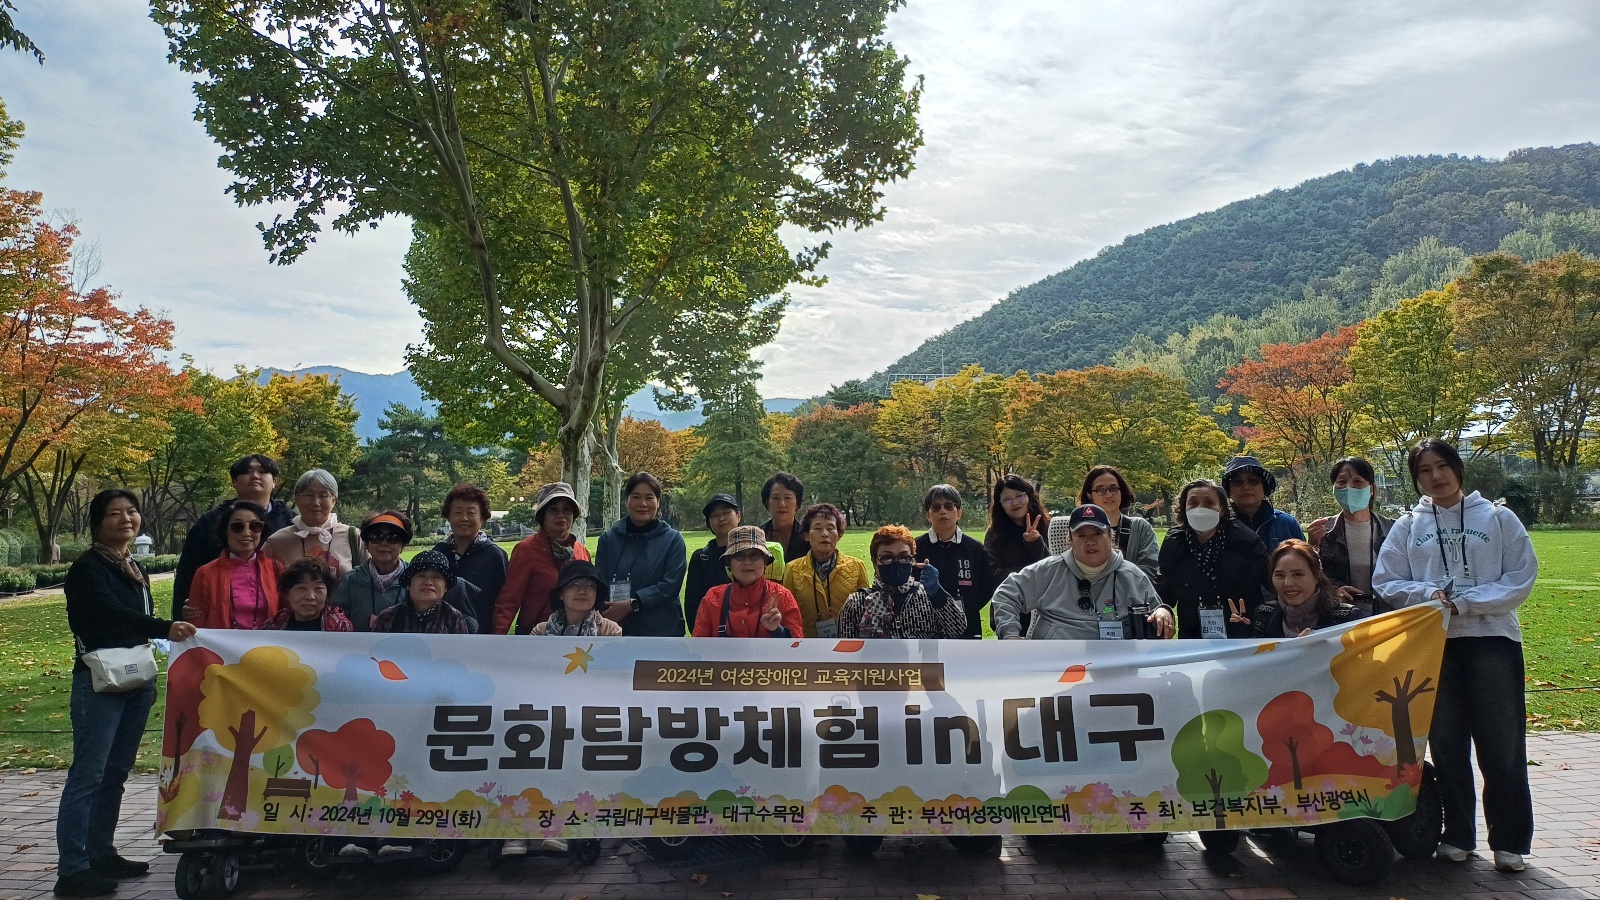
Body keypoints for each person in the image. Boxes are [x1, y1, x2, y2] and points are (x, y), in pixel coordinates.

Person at [1373, 438, 1538, 873]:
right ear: (1416, 479)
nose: (1436, 477)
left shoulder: (1498, 517)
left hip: (1491, 640)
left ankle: (1510, 841)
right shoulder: (1409, 525)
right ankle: (1458, 835)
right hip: (1433, 642)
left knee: (1502, 743)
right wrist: (1427, 594)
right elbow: (1386, 580)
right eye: (1424, 471)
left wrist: (1467, 602)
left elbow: (1520, 577)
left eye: (1442, 466)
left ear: (1458, 468)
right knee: (1446, 743)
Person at [56, 489, 196, 898]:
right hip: (99, 682)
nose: (126, 519)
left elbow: (135, 619)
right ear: (97, 523)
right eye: (114, 514)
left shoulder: (131, 566)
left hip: (136, 679)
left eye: (131, 512)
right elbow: (109, 614)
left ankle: (102, 853)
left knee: (116, 772)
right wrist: (163, 627)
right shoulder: (88, 569)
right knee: (89, 774)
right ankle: (72, 869)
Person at [993, 505, 1173, 641]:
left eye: (1097, 533)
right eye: (1081, 535)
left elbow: (1157, 610)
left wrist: (1163, 612)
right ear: (1070, 539)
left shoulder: (1132, 576)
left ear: (1110, 536)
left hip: (1114, 666)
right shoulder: (1048, 570)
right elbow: (1006, 594)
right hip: (1056, 664)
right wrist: (1010, 635)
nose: (1090, 541)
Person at [171, 454, 294, 619]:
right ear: (234, 482)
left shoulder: (290, 522)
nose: (255, 476)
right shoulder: (209, 522)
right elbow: (187, 573)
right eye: (247, 471)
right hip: (218, 619)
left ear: (274, 481)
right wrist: (181, 616)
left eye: (262, 471)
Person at [1155, 479, 1270, 639]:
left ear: (1221, 509)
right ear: (1184, 508)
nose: (1200, 508)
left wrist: (1262, 615)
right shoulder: (1175, 543)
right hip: (1193, 636)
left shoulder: (1245, 541)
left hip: (1242, 634)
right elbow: (1162, 590)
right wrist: (1162, 609)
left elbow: (1272, 582)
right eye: (1193, 503)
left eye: (1209, 503)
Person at [595, 472, 688, 636]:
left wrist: (634, 603)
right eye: (636, 497)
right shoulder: (608, 539)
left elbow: (670, 586)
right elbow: (600, 583)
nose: (642, 504)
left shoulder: (672, 540)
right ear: (626, 501)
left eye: (649, 498)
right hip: (617, 629)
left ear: (658, 502)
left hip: (661, 631)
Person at [494, 482, 591, 634]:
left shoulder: (581, 552)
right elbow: (509, 600)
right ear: (542, 515)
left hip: (575, 636)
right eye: (553, 510)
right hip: (535, 635)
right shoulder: (526, 550)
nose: (561, 515)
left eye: (567, 509)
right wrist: (497, 640)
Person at [838, 525, 967, 639]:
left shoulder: (927, 597)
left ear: (912, 560)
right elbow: (845, 651)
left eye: (904, 557)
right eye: (887, 557)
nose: (896, 563)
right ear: (874, 561)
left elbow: (957, 629)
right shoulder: (857, 603)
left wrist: (938, 594)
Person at [1305, 457, 1395, 615]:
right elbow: (1310, 578)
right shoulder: (1323, 531)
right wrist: (1311, 546)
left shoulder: (1393, 529)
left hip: (1388, 615)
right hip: (1342, 616)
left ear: (1372, 489)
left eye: (1358, 482)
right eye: (1341, 482)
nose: (1349, 488)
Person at [683, 493, 785, 632]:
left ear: (738, 516)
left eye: (726, 512)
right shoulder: (702, 558)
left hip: (762, 632)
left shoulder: (763, 552)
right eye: (715, 515)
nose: (721, 518)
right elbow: (692, 605)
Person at [183, 499, 284, 630]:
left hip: (269, 643)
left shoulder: (276, 569)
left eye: (255, 526)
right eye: (237, 526)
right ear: (225, 530)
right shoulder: (205, 574)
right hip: (220, 643)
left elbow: (290, 614)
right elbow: (197, 627)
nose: (246, 533)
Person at [692, 526, 803, 638]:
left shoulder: (782, 596)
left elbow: (796, 645)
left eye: (755, 555)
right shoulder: (713, 598)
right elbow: (698, 645)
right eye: (739, 556)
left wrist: (778, 630)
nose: (747, 562)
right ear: (729, 563)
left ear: (765, 562)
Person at [914, 485, 993, 638]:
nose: (942, 511)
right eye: (936, 507)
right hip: (926, 627)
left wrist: (966, 608)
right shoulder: (916, 548)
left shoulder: (975, 548)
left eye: (949, 506)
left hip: (968, 626)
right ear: (928, 515)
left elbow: (986, 588)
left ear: (959, 513)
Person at [782, 503, 870, 638]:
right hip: (807, 645)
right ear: (806, 535)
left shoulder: (857, 567)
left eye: (830, 528)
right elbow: (788, 615)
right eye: (817, 528)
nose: (824, 534)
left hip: (847, 644)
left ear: (839, 534)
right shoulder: (792, 569)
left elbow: (865, 613)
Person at [1247, 540, 1365, 638]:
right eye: (1280, 575)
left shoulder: (1347, 618)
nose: (1288, 583)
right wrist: (1241, 631)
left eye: (1297, 574)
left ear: (1317, 576)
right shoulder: (1264, 614)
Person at [264, 469, 366, 577]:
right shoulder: (277, 541)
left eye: (323, 496)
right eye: (309, 495)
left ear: (334, 500)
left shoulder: (352, 537)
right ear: (296, 499)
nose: (316, 503)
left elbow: (371, 577)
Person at [433, 482, 508, 628]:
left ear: (482, 518)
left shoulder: (495, 555)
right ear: (448, 517)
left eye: (471, 513)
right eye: (457, 513)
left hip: (482, 634)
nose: (464, 518)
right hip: (441, 633)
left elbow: (503, 602)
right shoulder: (438, 553)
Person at [332, 511, 417, 631]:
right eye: (376, 537)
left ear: (402, 546)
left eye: (393, 538)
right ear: (366, 545)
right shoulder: (351, 580)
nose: (384, 543)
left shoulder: (415, 577)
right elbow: (336, 620)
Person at [984, 475, 1049, 633]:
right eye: (1007, 499)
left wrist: (1036, 543)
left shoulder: (1048, 527)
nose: (1014, 503)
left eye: (1019, 495)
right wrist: (1032, 577)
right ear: (1000, 505)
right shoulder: (994, 534)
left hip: (1046, 613)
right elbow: (993, 574)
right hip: (1009, 610)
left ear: (1029, 496)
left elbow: (1054, 571)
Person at [1078, 465, 1160, 579]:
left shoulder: (1140, 528)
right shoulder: (1078, 531)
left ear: (1121, 491)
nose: (1108, 495)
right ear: (1089, 495)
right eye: (1100, 490)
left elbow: (1149, 570)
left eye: (1113, 488)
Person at [373, 550, 475, 634]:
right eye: (421, 576)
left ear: (445, 587)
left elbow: (460, 651)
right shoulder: (388, 617)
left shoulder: (453, 618)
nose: (428, 582)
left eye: (436, 577)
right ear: (408, 584)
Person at [1221, 455, 1304, 552]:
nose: (1246, 487)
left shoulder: (1287, 523)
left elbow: (1305, 558)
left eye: (1253, 480)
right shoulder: (1220, 526)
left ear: (1264, 486)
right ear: (1228, 490)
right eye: (1237, 482)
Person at [532, 560, 622, 636]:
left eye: (590, 585)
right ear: (561, 594)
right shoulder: (540, 632)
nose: (582, 591)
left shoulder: (610, 631)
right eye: (574, 584)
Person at [264, 557, 354, 632]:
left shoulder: (340, 627)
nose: (310, 596)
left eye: (318, 588)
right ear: (287, 593)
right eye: (302, 588)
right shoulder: (272, 627)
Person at [759, 472, 810, 564]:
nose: (782, 504)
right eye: (776, 498)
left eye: (787, 498)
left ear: (797, 503)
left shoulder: (808, 537)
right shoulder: (757, 537)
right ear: (767, 502)